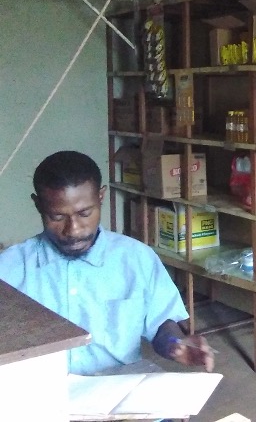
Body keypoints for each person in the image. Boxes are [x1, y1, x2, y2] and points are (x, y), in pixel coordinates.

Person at [0, 150, 214, 375]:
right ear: (38, 205)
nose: (73, 230)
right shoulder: (7, 269)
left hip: (117, 387)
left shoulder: (136, 258)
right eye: (57, 217)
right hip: (39, 390)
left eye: (84, 213)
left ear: (100, 197)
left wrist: (175, 344)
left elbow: (162, 323)